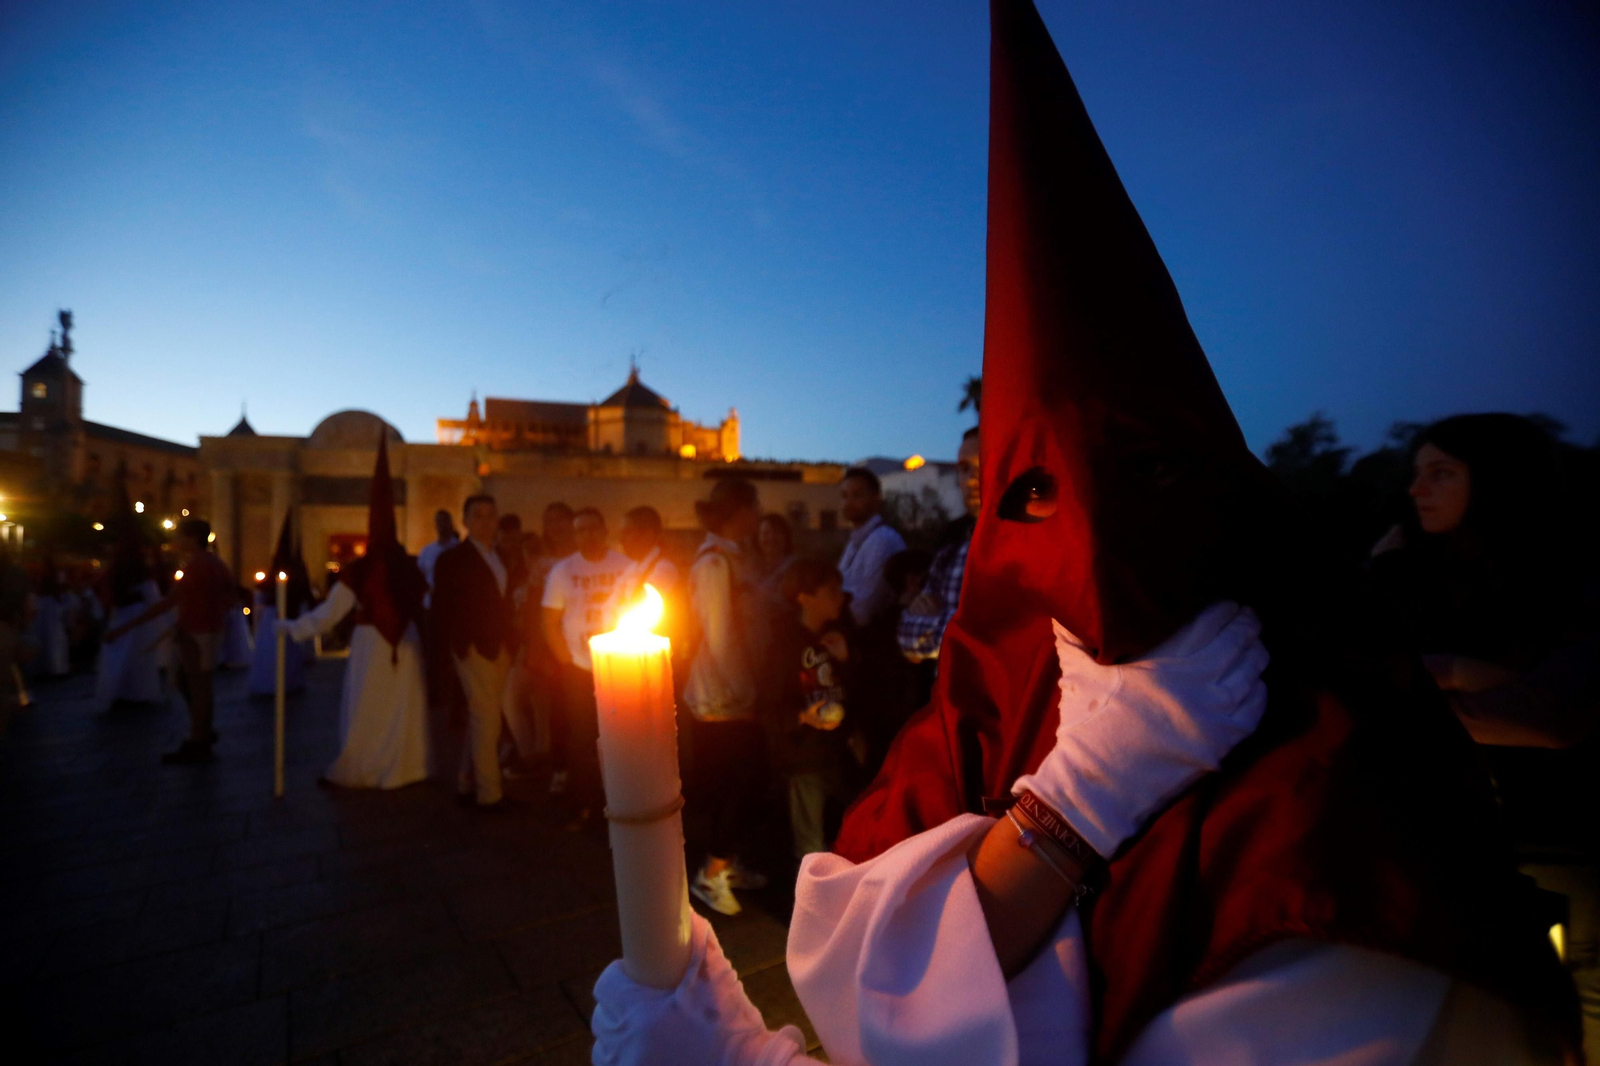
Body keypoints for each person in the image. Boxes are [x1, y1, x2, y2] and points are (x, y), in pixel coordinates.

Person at [588, 2, 1578, 1061]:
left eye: (1148, 471)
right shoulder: (990, 690)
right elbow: (862, 953)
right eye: (1031, 492)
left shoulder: (1324, 779)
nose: (1098, 531)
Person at [1370, 412, 1600, 1056]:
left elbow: (1550, 717)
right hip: (1452, 848)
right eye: (1416, 473)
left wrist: (1420, 684)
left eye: (1442, 473)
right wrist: (1466, 673)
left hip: (1564, 843)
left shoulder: (1567, 582)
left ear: (1498, 481)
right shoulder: (1409, 577)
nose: (1418, 489)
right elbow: (1354, 677)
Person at [281, 435, 431, 789]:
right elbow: (424, 604)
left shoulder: (360, 569)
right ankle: (406, 768)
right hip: (406, 645)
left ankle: (366, 767)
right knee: (401, 709)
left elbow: (331, 612)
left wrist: (292, 627)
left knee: (368, 709)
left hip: (372, 644)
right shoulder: (409, 566)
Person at [682, 477, 768, 916]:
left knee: (739, 784)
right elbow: (718, 637)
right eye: (754, 506)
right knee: (732, 786)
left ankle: (726, 862)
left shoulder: (733, 556)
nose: (759, 515)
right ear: (739, 511)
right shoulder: (715, 563)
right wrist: (745, 692)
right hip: (722, 699)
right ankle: (711, 873)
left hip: (732, 695)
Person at [104, 517, 236, 765]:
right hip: (206, 631)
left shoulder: (197, 565)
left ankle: (199, 739)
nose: (176, 540)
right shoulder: (215, 563)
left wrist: (125, 628)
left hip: (197, 633)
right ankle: (202, 729)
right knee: (189, 682)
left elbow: (172, 600)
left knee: (198, 686)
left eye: (180, 536)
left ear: (193, 538)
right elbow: (228, 597)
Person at [541, 507, 633, 828]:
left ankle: (621, 798)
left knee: (620, 737)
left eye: (593, 528)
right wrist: (567, 660)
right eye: (580, 530)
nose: (587, 535)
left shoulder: (625, 567)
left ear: (605, 530)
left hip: (620, 668)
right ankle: (585, 804)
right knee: (581, 740)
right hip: (579, 669)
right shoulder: (563, 571)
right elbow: (549, 621)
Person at [432, 493, 519, 809]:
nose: (485, 521)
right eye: (478, 515)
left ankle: (468, 780)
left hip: (499, 648)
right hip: (474, 648)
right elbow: (443, 607)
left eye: (490, 515)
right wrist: (460, 646)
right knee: (486, 717)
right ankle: (490, 793)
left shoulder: (499, 557)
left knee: (484, 716)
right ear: (465, 521)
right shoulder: (452, 559)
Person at [768, 558, 854, 860]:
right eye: (831, 591)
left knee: (847, 835)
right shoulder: (785, 642)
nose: (840, 597)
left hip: (840, 751)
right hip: (805, 756)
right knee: (811, 844)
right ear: (805, 598)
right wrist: (803, 717)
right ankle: (812, 906)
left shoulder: (842, 632)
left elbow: (859, 690)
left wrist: (845, 660)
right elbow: (770, 703)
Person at [897, 426, 979, 664]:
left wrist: (937, 623)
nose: (972, 478)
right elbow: (906, 638)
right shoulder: (952, 550)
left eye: (985, 463)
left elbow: (979, 638)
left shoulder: (1031, 552)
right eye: (964, 468)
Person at [246, 513, 315, 698]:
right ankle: (272, 683)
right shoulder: (283, 573)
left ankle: (286, 682)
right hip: (274, 618)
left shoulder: (296, 573)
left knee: (285, 655)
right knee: (272, 654)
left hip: (286, 617)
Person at [93, 538, 164, 710]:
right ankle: (129, 692)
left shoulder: (121, 574)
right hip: (132, 617)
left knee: (125, 656)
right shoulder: (136, 575)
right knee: (132, 657)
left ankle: (125, 692)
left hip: (129, 618)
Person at [835, 467, 906, 629]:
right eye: (844, 496)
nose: (848, 502)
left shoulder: (882, 540)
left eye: (857, 495)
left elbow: (863, 612)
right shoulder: (854, 542)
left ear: (876, 499)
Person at [416, 509, 458, 601]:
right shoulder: (427, 551)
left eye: (444, 521)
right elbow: (418, 576)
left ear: (451, 524)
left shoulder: (459, 550)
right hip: (430, 603)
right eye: (439, 522)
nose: (442, 525)